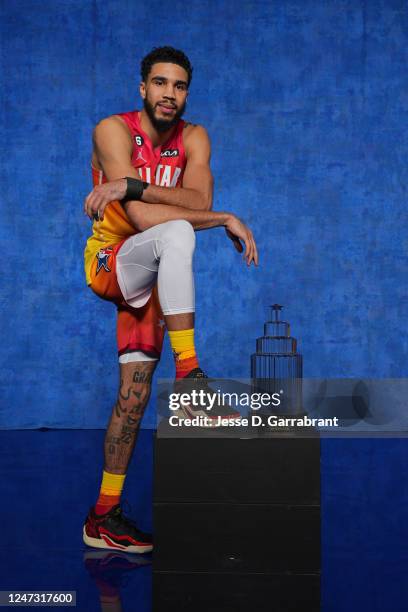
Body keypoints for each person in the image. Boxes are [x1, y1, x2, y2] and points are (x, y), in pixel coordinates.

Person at [82, 46, 258, 554]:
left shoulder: (195, 137)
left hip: (156, 278)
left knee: (132, 399)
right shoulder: (112, 130)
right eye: (159, 83)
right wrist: (217, 216)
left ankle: (102, 517)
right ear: (143, 88)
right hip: (114, 262)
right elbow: (141, 221)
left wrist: (133, 184)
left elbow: (200, 200)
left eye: (179, 86)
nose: (169, 94)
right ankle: (190, 374)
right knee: (179, 230)